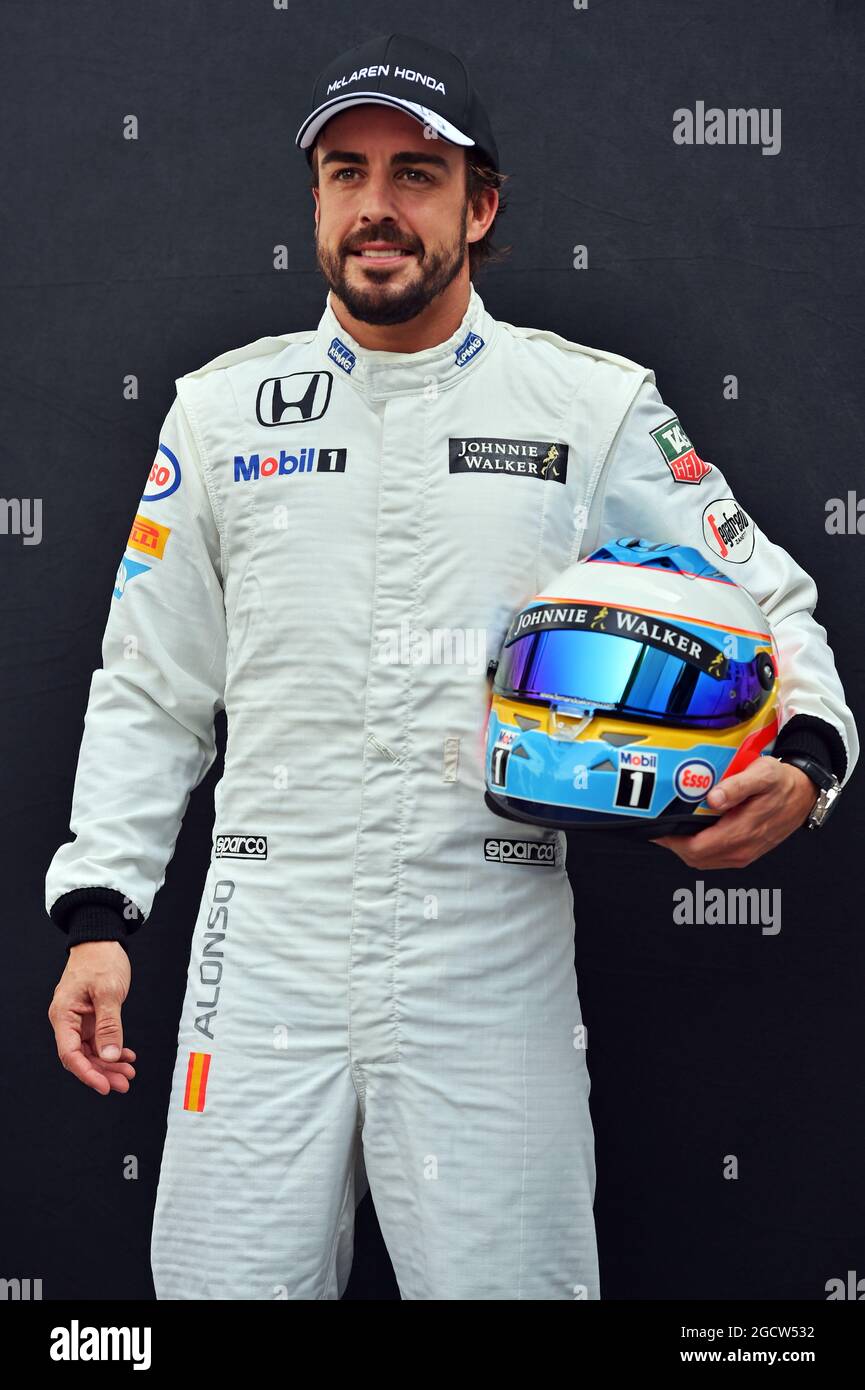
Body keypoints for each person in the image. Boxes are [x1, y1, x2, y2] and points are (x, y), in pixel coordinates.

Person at [45, 32, 857, 1300]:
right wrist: (101, 914)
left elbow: (771, 599)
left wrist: (806, 760)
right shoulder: (216, 414)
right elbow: (148, 684)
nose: (377, 206)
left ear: (478, 206)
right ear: (314, 199)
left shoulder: (587, 406)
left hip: (490, 945)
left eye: (416, 173)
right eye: (346, 171)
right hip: (257, 945)